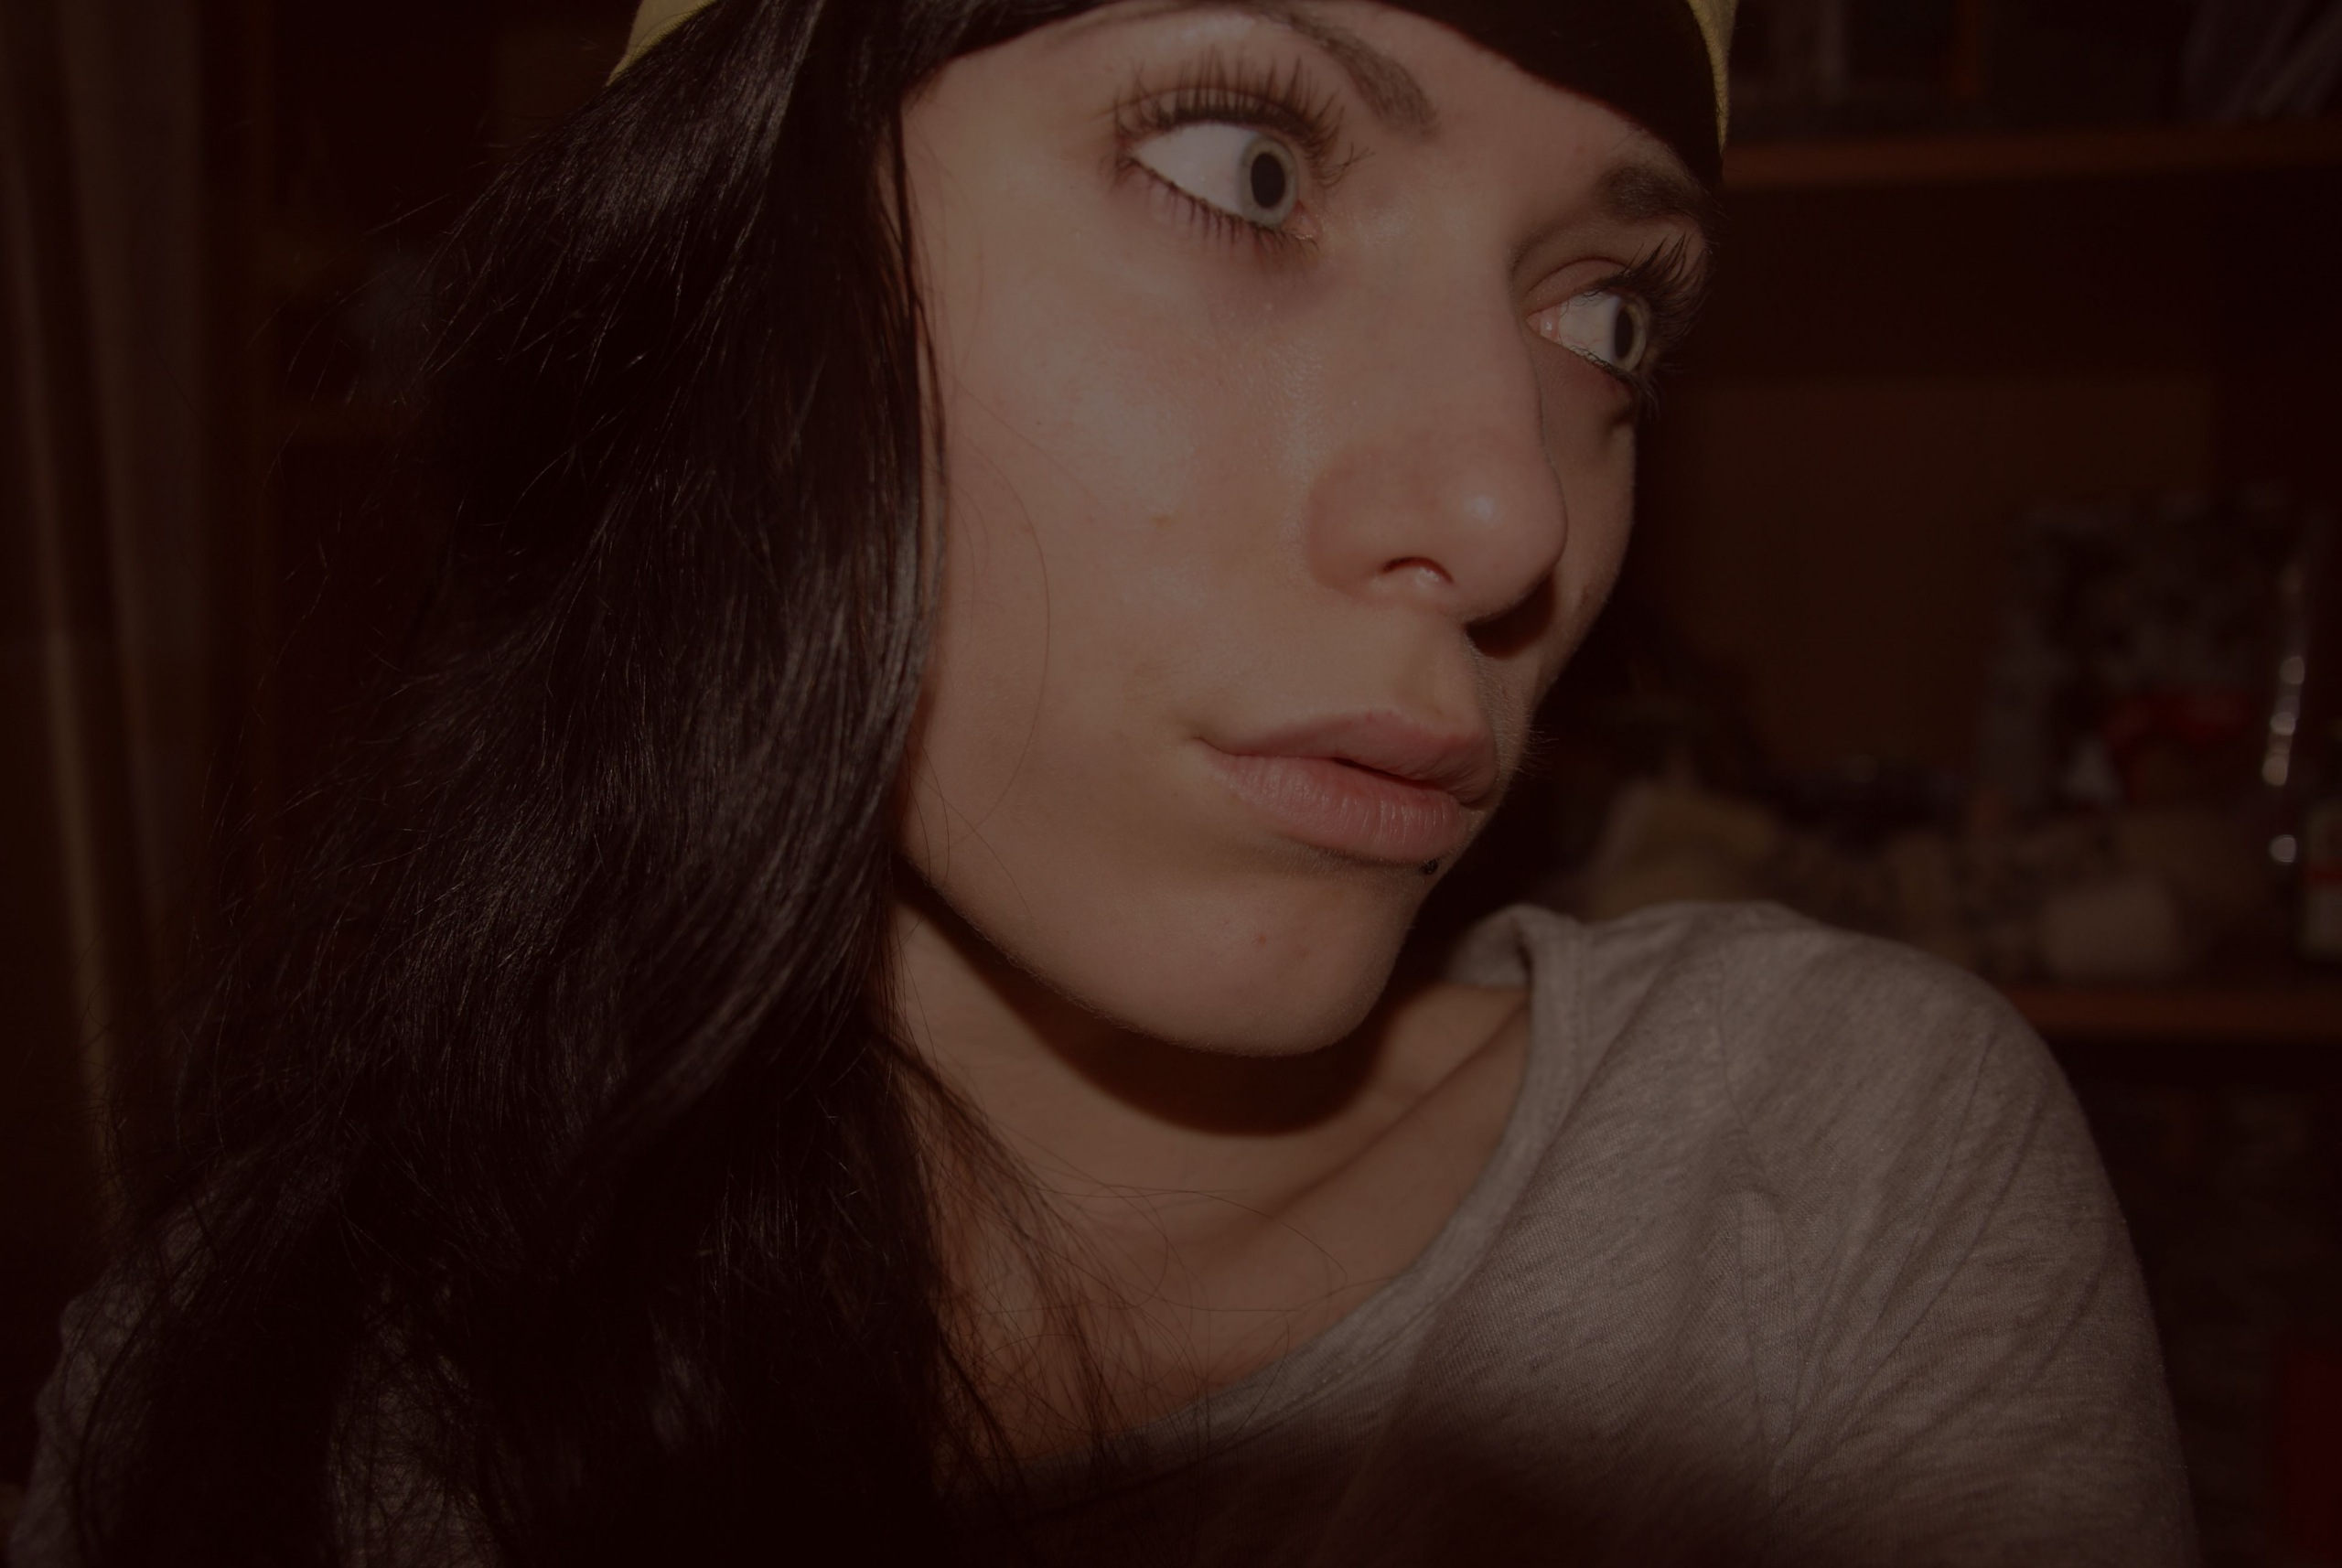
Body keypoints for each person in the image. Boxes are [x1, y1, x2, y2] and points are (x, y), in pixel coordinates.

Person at [13, 0, 2194, 1563]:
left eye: (1605, 317)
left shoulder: (1810, 1181)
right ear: (730, 269)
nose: (1508, 507)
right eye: (1247, 168)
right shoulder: (241, 1377)